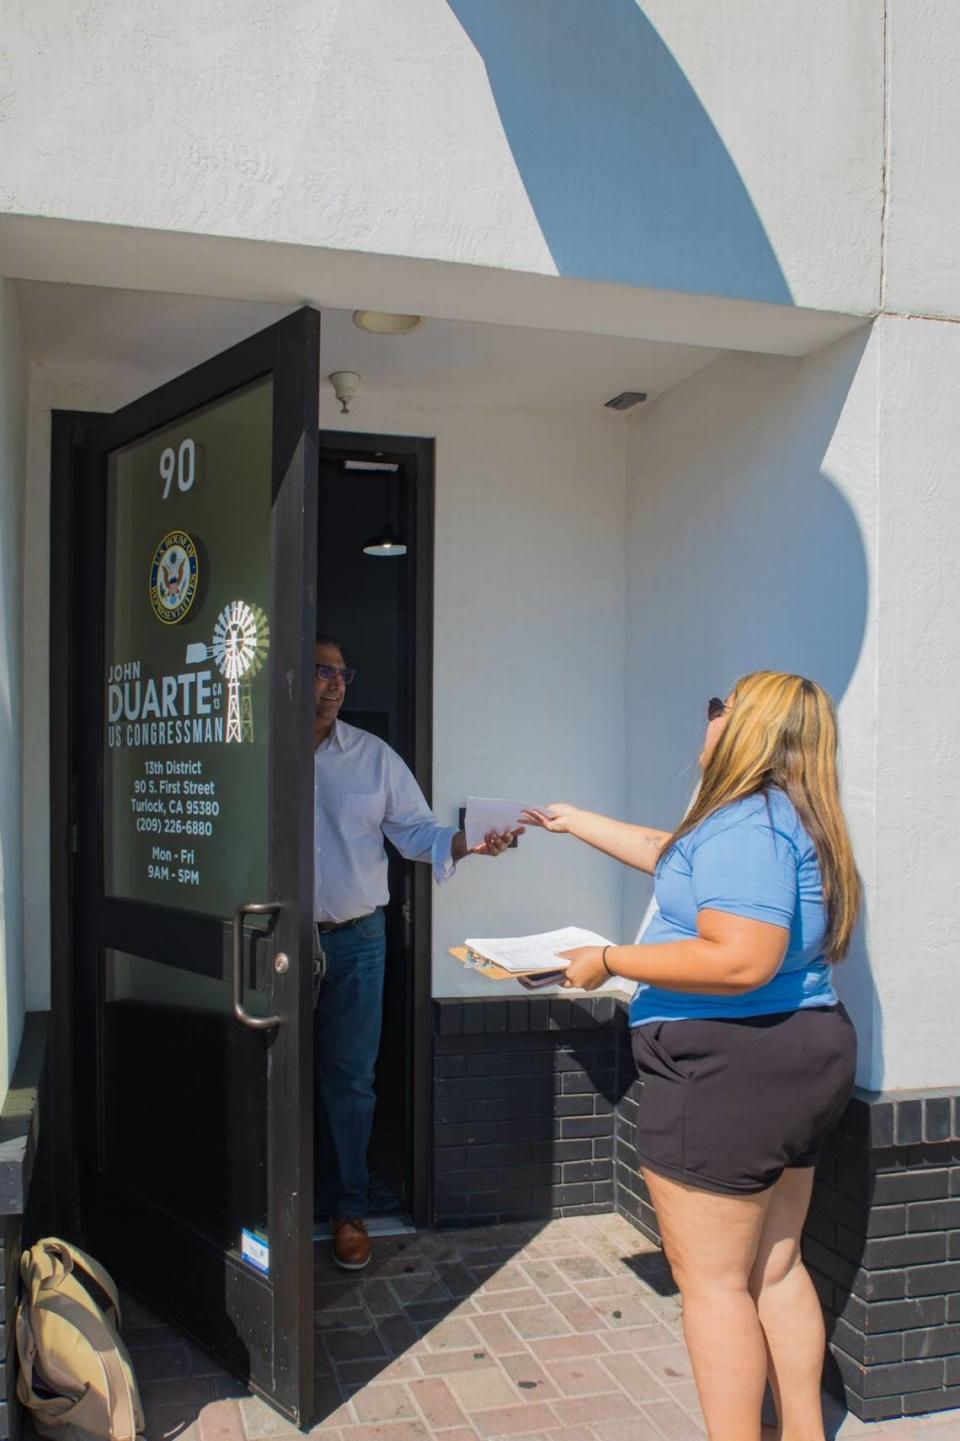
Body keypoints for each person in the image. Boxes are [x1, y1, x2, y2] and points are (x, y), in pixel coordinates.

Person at [522, 672, 860, 1441]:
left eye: (720, 706)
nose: (707, 717)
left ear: (748, 729)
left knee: (713, 1287)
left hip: (727, 1072)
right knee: (774, 1266)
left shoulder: (745, 824)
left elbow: (741, 957)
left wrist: (609, 957)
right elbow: (669, 854)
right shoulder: (780, 815)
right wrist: (574, 821)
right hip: (799, 1054)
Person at [313, 635, 519, 1271]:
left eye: (343, 673)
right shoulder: (257, 751)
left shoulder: (373, 759)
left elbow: (415, 832)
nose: (335, 684)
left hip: (355, 940)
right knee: (268, 1071)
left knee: (351, 1079)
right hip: (271, 943)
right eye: (322, 671)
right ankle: (268, 1204)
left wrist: (466, 843)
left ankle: (349, 1208)